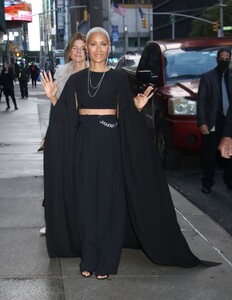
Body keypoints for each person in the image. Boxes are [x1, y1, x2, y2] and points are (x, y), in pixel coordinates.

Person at [42, 27, 218, 280]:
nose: (99, 49)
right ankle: (89, 255)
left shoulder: (118, 80)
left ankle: (107, 260)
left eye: (104, 44)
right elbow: (66, 118)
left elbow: (125, 116)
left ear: (109, 48)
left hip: (111, 144)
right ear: (87, 48)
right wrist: (53, 99)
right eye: (93, 44)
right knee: (86, 203)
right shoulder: (76, 81)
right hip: (84, 146)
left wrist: (134, 107)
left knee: (110, 203)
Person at [39, 32, 87, 234]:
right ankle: (54, 221)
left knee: (80, 180)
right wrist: (49, 134)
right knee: (57, 176)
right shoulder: (61, 72)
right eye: (74, 48)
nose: (78, 52)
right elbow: (55, 107)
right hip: (62, 131)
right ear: (68, 52)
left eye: (82, 48)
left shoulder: (94, 72)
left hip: (84, 131)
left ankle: (80, 223)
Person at [197, 48, 232, 193]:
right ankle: (207, 182)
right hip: (214, 120)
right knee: (210, 154)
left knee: (229, 152)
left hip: (229, 119)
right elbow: (201, 101)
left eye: (227, 59)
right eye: (221, 58)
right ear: (216, 59)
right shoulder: (208, 77)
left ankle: (229, 181)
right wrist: (202, 122)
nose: (224, 61)